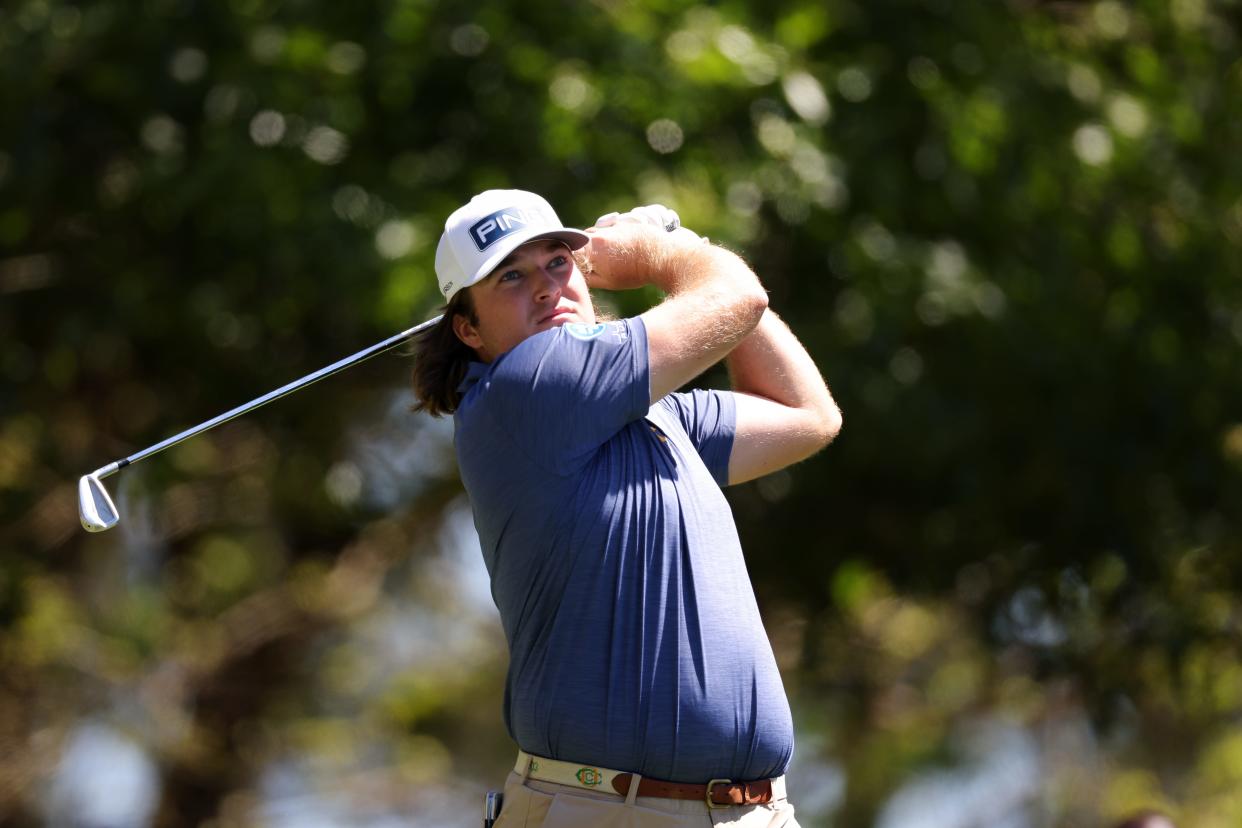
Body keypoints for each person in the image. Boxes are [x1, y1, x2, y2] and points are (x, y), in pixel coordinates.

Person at [412, 189, 841, 827]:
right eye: (511, 276)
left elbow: (807, 415)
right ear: (468, 329)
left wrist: (688, 252)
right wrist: (662, 255)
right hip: (607, 811)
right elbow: (737, 299)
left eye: (558, 262)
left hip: (749, 814)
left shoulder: (652, 414)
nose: (545, 287)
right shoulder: (527, 387)